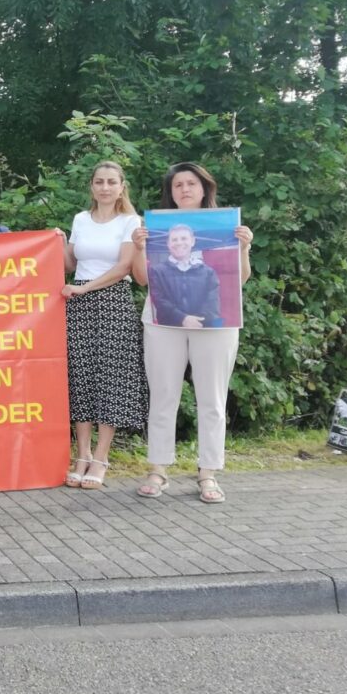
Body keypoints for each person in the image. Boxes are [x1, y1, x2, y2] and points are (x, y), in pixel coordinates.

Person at [131, 162, 253, 504]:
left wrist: (243, 247)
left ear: (204, 189)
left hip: (216, 325)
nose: (184, 189)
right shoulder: (155, 231)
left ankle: (208, 473)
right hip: (161, 321)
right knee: (163, 395)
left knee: (212, 398)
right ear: (171, 192)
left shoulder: (228, 228)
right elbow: (142, 279)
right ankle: (158, 469)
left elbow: (239, 280)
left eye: (191, 183)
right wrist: (139, 247)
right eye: (177, 185)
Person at [60, 161, 147, 489]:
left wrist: (84, 287)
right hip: (79, 304)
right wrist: (55, 243)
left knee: (110, 379)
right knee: (81, 377)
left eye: (112, 182)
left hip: (112, 302)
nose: (105, 187)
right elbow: (70, 263)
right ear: (92, 186)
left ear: (122, 186)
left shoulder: (131, 222)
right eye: (99, 181)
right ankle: (81, 455)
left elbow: (125, 266)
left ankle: (101, 457)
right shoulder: (80, 220)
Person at [147, 223, 222, 327]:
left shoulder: (208, 272)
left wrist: (196, 322)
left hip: (202, 329)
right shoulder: (157, 271)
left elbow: (212, 302)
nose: (179, 243)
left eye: (183, 238)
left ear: (192, 241)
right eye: (174, 240)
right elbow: (159, 301)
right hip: (169, 330)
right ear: (168, 243)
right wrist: (182, 319)